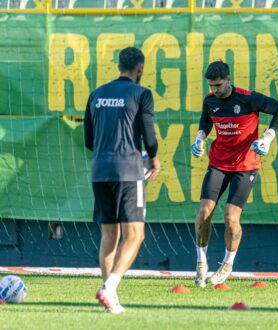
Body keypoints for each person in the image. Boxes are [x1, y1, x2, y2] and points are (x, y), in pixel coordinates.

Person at [191, 60, 278, 288]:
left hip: (245, 166)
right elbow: (206, 120)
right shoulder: (210, 100)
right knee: (204, 211)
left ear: (228, 80)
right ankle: (201, 263)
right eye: (211, 86)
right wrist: (199, 137)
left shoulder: (248, 98)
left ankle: (227, 263)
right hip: (218, 163)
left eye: (218, 85)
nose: (214, 90)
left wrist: (267, 137)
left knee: (230, 218)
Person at [84, 47, 160, 313]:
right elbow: (149, 136)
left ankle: (110, 299)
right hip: (128, 170)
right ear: (139, 68)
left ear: (119, 66)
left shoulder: (96, 94)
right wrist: (153, 157)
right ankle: (110, 288)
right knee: (135, 234)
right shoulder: (142, 94)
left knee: (108, 234)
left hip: (99, 169)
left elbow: (88, 140)